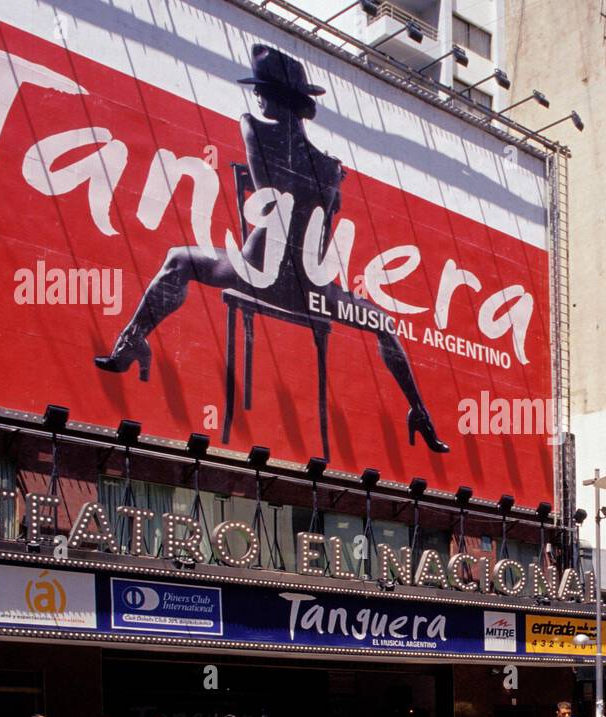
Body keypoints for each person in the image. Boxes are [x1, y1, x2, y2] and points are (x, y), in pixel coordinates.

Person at [93, 43, 449, 458]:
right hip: (311, 289)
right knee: (383, 322)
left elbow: (267, 193)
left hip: (260, 272)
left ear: (278, 97)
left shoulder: (255, 128)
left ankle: (131, 340)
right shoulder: (329, 164)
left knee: (178, 258)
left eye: (263, 89)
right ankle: (420, 412)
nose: (257, 97)